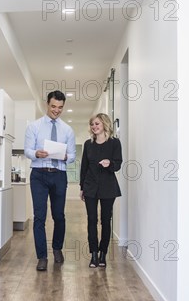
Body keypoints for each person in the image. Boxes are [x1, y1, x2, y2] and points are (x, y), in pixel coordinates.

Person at [24, 90, 76, 271]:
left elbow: (72, 156)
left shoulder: (67, 130)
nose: (56, 110)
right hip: (39, 174)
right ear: (47, 104)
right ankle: (42, 257)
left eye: (60, 107)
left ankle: (57, 248)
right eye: (53, 106)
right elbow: (27, 150)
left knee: (59, 215)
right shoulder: (34, 127)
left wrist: (64, 157)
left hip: (59, 175)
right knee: (40, 216)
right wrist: (36, 153)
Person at [79, 113, 122, 268]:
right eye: (92, 124)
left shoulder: (114, 143)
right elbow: (84, 167)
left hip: (108, 187)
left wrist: (109, 163)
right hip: (90, 186)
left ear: (104, 124)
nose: (94, 127)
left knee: (105, 220)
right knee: (92, 220)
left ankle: (103, 253)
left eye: (97, 124)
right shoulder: (88, 144)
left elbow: (118, 164)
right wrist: (82, 187)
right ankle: (94, 254)